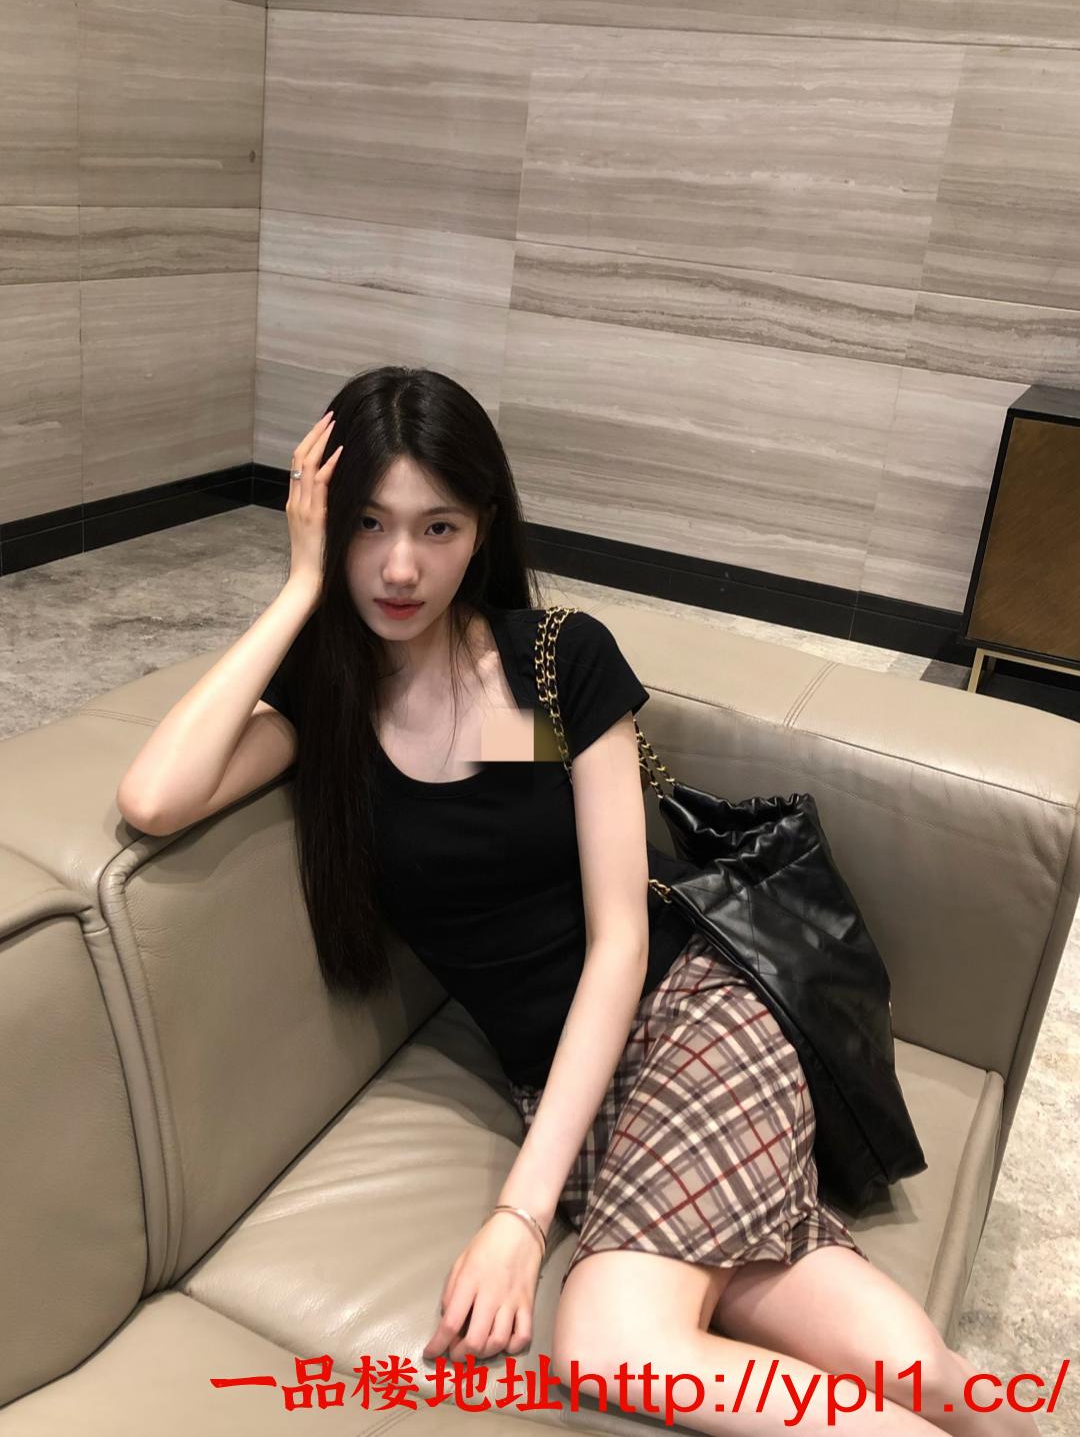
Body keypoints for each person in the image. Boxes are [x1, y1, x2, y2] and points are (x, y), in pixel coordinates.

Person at [116, 367, 1036, 1436]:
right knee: (765, 1288)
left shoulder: (547, 675)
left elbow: (618, 943)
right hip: (563, 1085)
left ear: (482, 528)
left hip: (690, 1013)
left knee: (611, 1340)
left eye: (437, 527)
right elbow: (155, 796)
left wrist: (519, 1215)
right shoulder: (329, 715)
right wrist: (296, 591)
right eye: (367, 524)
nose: (401, 567)